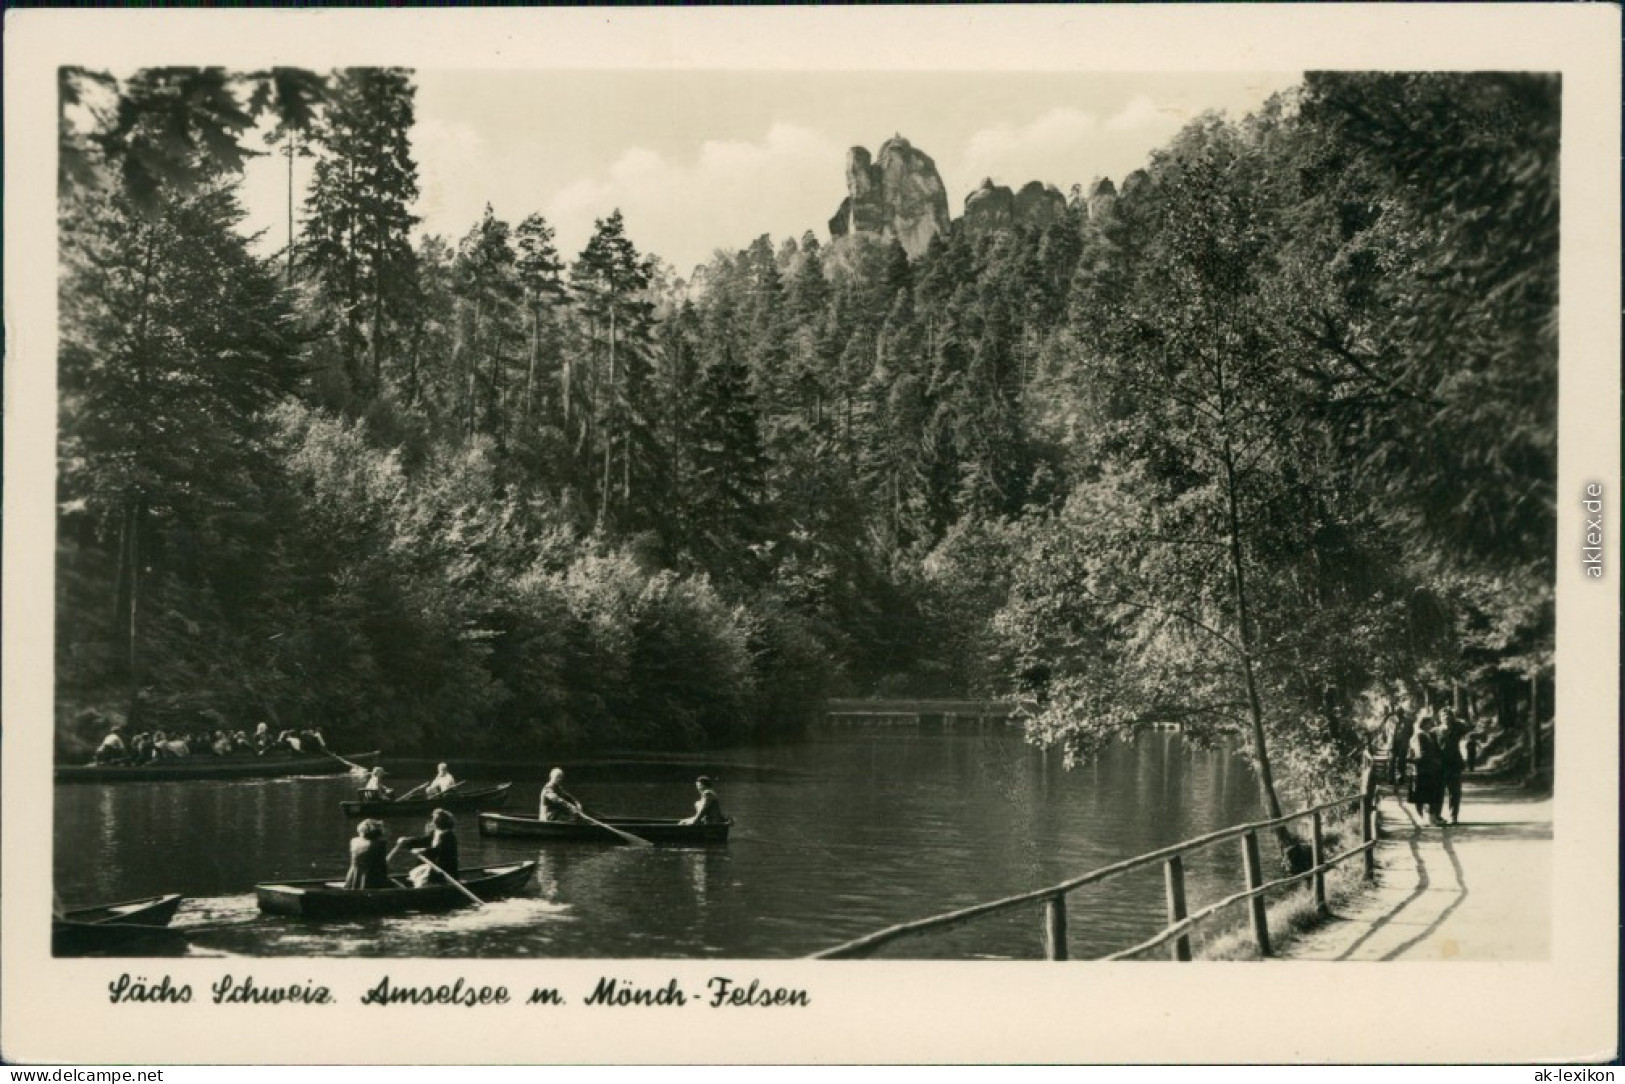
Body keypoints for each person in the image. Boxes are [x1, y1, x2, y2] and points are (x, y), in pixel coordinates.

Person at [390, 809, 460, 888]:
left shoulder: (449, 836)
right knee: (414, 876)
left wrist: (423, 850)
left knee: (421, 881)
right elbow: (423, 840)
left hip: (444, 869)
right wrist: (407, 840)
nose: (432, 822)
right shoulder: (435, 833)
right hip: (434, 866)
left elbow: (439, 850)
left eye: (434, 819)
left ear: (439, 822)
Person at [1435, 706, 1476, 826]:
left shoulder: (1457, 729)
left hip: (1454, 764)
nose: (1446, 718)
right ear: (1440, 718)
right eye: (1443, 716)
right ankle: (1437, 816)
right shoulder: (1435, 731)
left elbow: (1469, 727)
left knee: (1455, 792)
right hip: (1440, 766)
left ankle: (1453, 816)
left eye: (1448, 716)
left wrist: (1457, 719)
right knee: (1439, 792)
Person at [1408, 714, 1447, 826]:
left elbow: (1435, 750)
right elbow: (1420, 752)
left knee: (1430, 794)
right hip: (1421, 768)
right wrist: (1432, 760)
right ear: (1423, 723)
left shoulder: (1429, 735)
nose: (1431, 725)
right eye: (1429, 723)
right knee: (1419, 795)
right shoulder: (1419, 735)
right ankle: (1420, 817)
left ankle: (1432, 817)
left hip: (1431, 769)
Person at [343, 819, 393, 891]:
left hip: (352, 878)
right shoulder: (379, 844)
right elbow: (384, 864)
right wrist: (398, 846)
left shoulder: (353, 841)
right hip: (371, 880)